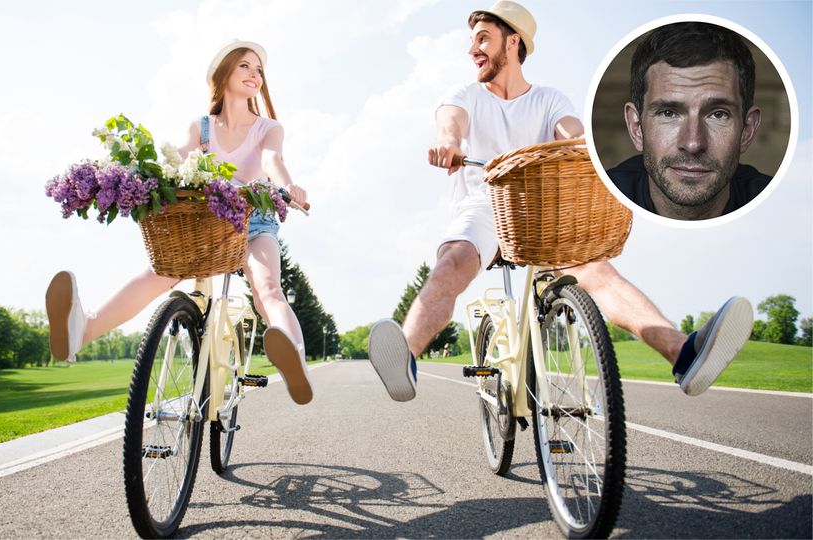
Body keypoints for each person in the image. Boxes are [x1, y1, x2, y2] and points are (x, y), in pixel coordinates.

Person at [367, 1, 754, 401]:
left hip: (544, 207)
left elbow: (573, 135)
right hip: (487, 203)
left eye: (483, 39)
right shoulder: (464, 94)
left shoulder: (549, 98)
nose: (473, 50)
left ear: (513, 42)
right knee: (454, 261)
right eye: (472, 41)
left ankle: (683, 353)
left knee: (596, 271)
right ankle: (407, 356)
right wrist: (447, 142)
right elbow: (451, 123)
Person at [45, 40, 314, 405]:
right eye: (245, 67)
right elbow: (175, 165)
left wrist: (288, 187)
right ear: (224, 75)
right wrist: (132, 179)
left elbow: (272, 161)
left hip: (254, 221)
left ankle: (291, 353)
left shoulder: (268, 128)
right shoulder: (201, 128)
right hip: (205, 222)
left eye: (259, 70)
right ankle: (80, 331)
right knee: (157, 273)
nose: (255, 75)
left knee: (267, 286)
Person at [608, 22, 771, 220]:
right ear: (636, 128)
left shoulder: (779, 207)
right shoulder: (598, 200)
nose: (693, 143)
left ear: (747, 130)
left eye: (718, 114)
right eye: (668, 113)